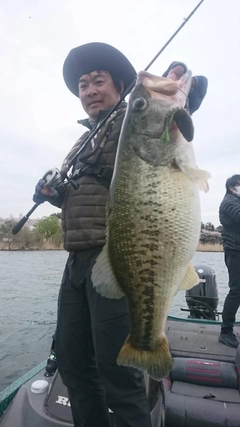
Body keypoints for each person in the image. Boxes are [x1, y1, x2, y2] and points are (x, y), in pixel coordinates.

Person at [33, 42, 208, 427]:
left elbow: (167, 125)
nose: (90, 90)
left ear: (119, 86)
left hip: (118, 258)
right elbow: (97, 194)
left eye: (98, 81)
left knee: (119, 376)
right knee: (75, 366)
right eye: (83, 85)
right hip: (76, 263)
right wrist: (57, 195)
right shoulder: (83, 140)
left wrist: (183, 92)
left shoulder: (131, 118)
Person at [218, 175, 240, 349]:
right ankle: (226, 332)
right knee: (236, 291)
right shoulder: (229, 202)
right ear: (233, 187)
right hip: (235, 253)